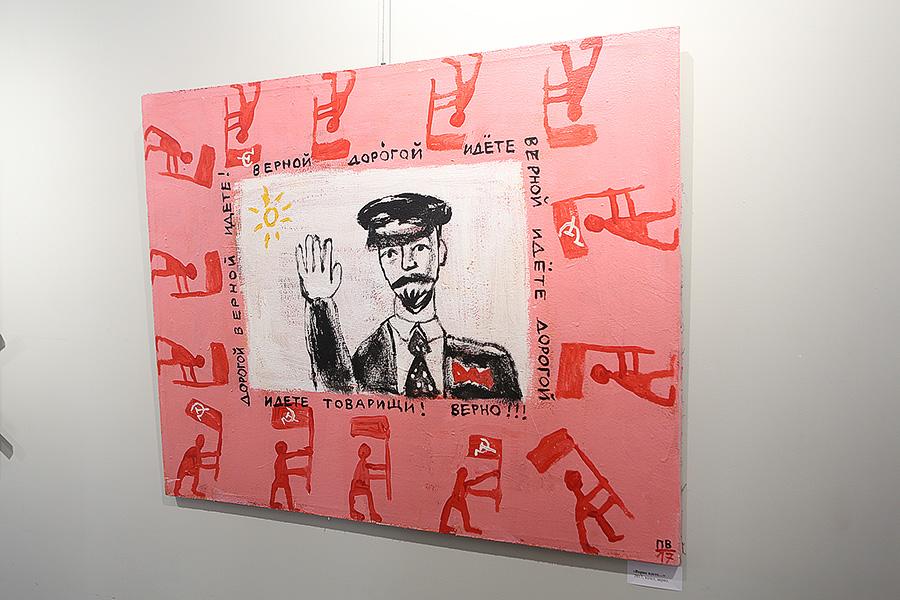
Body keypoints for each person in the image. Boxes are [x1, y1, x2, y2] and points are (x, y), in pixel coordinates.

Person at [296, 193, 521, 400]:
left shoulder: (492, 363)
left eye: (420, 248)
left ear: (441, 251)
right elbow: (339, 404)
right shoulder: (364, 362)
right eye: (390, 253)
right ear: (381, 263)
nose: (407, 264)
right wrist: (320, 304)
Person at [564, 469, 624, 554]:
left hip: (584, 505)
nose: (579, 479)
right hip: (582, 506)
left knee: (597, 515)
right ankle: (586, 547)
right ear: (570, 483)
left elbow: (586, 499)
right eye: (576, 478)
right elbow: (586, 498)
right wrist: (600, 487)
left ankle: (611, 536)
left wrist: (601, 487)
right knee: (582, 526)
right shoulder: (580, 498)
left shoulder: (581, 496)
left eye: (579, 477)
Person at [438, 467, 500, 534]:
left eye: (464, 475)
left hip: (460, 502)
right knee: (449, 504)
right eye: (461, 475)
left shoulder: (465, 485)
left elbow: (478, 480)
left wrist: (491, 474)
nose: (462, 477)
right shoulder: (458, 485)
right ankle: (444, 527)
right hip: (455, 500)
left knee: (467, 527)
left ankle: (479, 532)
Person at [348, 443, 386, 522]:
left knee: (368, 493)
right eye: (361, 451)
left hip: (361, 485)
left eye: (365, 452)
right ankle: (368, 512)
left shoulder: (364, 464)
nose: (362, 453)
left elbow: (365, 477)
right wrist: (355, 486)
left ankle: (372, 513)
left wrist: (365, 485)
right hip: (357, 485)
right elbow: (356, 477)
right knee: (367, 493)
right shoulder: (361, 464)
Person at [269, 441, 312, 510]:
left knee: (286, 493)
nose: (282, 450)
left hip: (281, 480)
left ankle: (289, 507)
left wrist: (306, 453)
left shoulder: (280, 458)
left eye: (282, 448)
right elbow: (294, 454)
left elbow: (294, 454)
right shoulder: (281, 457)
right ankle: (287, 507)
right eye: (280, 448)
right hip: (281, 480)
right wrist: (301, 471)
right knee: (287, 493)